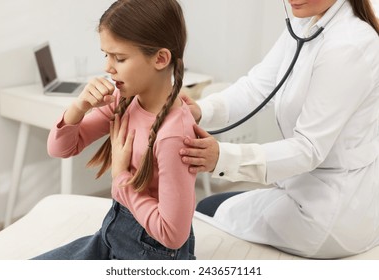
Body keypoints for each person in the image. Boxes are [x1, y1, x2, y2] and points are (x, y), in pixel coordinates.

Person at [179, 0, 379, 259]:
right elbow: (257, 88)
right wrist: (201, 110)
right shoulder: (306, 23)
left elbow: (308, 148)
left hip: (331, 211)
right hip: (304, 188)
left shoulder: (350, 45)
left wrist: (222, 158)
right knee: (208, 208)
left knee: (206, 209)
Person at [33, 0, 196, 260]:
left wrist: (121, 178)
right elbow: (60, 148)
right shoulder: (125, 99)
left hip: (151, 256)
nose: (108, 68)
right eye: (105, 55)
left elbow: (173, 234)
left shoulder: (173, 135)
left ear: (160, 58)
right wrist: (80, 106)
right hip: (112, 236)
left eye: (119, 58)